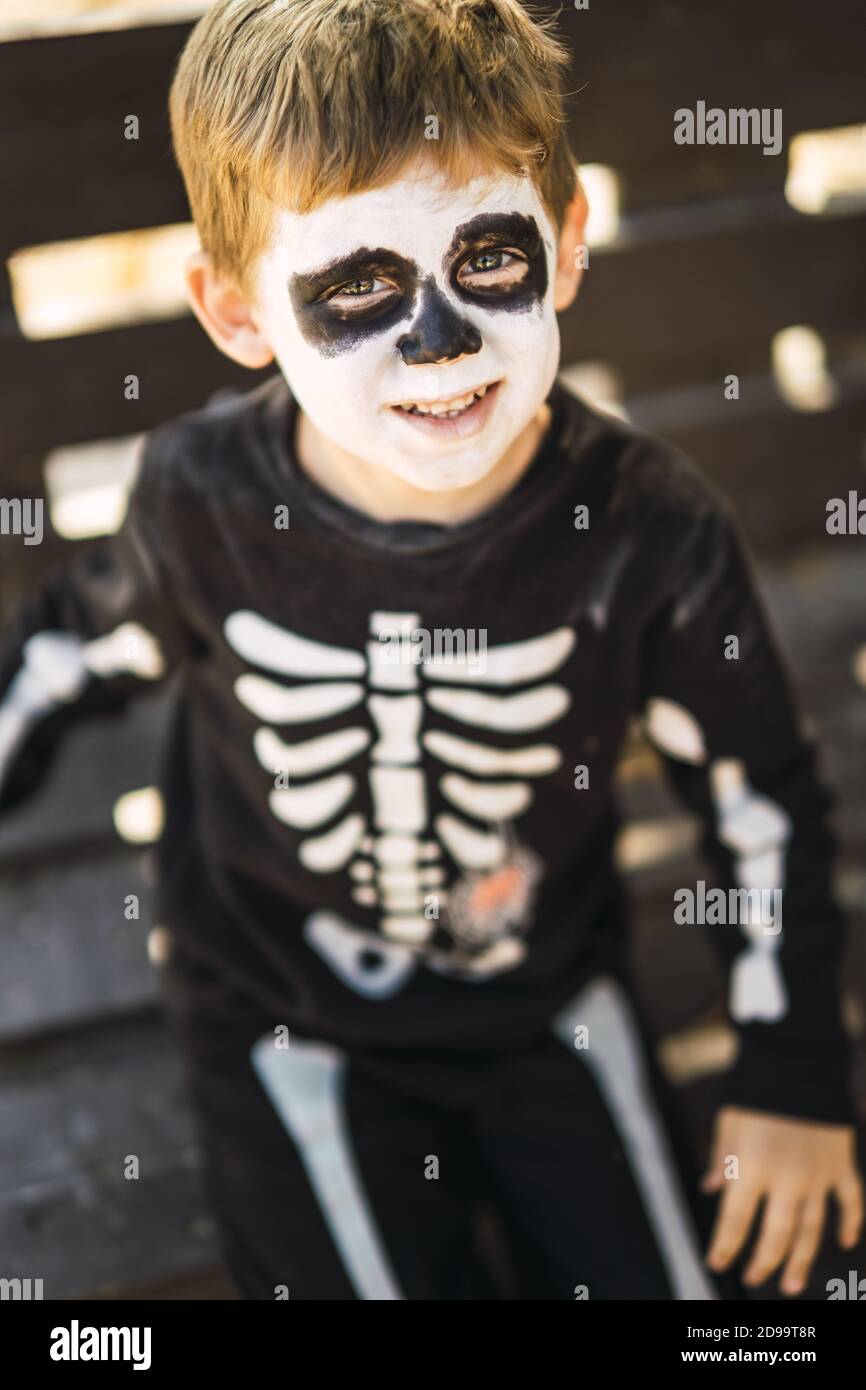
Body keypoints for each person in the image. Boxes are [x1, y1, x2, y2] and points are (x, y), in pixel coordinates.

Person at [0, 0, 860, 1299]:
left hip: (549, 995)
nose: (441, 344)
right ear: (239, 314)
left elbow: (757, 795)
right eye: (358, 289)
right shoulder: (205, 500)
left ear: (566, 248)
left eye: (490, 262)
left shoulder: (645, 527)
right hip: (280, 1013)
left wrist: (793, 1070)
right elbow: (72, 652)